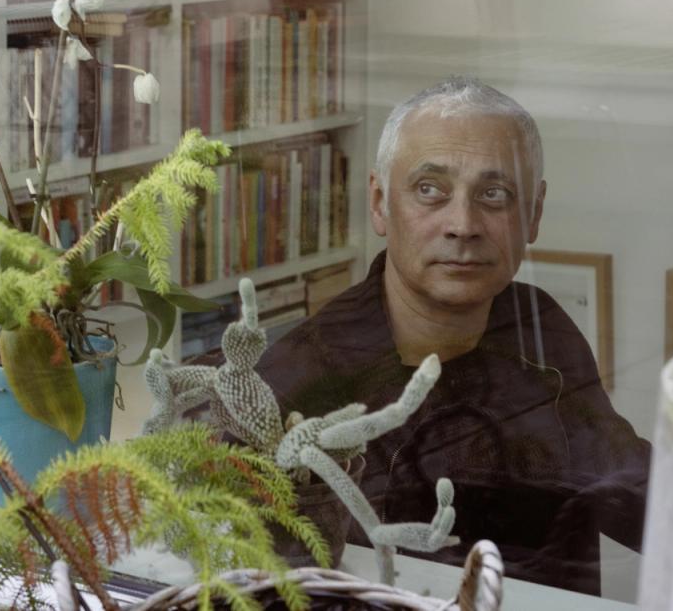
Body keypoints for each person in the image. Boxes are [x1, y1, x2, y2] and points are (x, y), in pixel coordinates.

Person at [257, 77, 650, 595]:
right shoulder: (299, 378)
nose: (463, 224)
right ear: (379, 202)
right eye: (429, 190)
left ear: (534, 213)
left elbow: (624, 485)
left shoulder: (538, 323)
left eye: (494, 194)